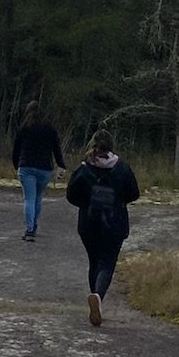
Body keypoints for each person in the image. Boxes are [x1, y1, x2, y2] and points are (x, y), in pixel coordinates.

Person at [65, 127, 140, 326]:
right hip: (114, 222)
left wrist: (87, 202)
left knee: (94, 261)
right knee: (107, 262)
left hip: (89, 223)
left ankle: (95, 300)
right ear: (111, 146)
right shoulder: (122, 168)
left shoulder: (83, 169)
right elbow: (134, 193)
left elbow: (71, 195)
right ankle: (98, 296)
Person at [12, 99, 66, 241]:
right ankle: (34, 225)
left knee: (29, 198)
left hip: (26, 166)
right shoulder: (49, 128)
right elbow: (56, 148)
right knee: (38, 197)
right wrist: (61, 165)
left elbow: (16, 149)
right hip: (45, 168)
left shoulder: (24, 127)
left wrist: (16, 165)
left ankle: (29, 230)